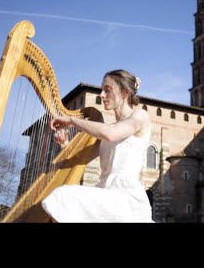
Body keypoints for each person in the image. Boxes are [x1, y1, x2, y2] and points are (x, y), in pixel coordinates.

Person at [41, 69, 153, 222]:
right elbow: (80, 159)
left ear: (125, 93)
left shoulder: (140, 116)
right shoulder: (109, 129)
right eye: (102, 90)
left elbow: (111, 133)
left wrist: (72, 120)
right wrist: (64, 143)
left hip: (126, 199)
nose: (101, 95)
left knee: (63, 196)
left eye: (107, 90)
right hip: (104, 193)